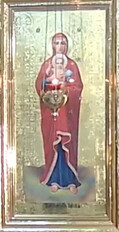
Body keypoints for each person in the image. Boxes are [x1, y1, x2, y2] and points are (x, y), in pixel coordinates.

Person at [34, 32, 84, 194]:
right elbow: (39, 84)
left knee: (66, 143)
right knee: (53, 142)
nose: (60, 46)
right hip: (52, 113)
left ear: (67, 46)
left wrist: (66, 89)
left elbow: (77, 87)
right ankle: (53, 179)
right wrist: (47, 84)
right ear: (52, 46)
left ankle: (70, 181)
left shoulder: (72, 66)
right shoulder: (47, 64)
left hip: (67, 113)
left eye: (63, 43)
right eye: (56, 43)